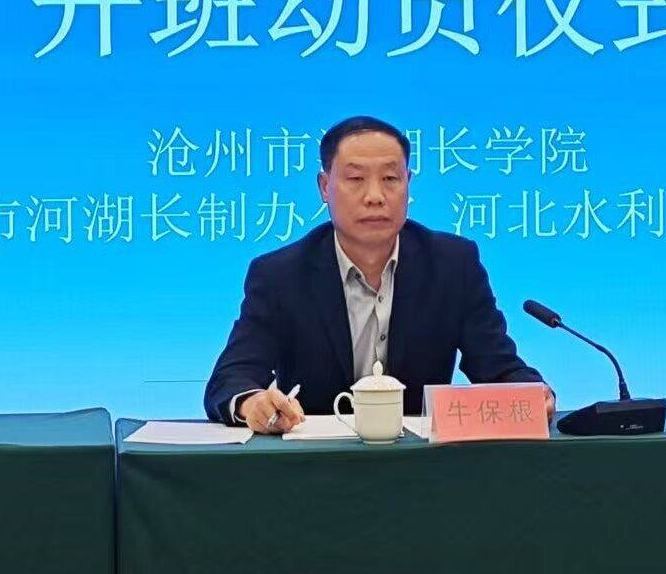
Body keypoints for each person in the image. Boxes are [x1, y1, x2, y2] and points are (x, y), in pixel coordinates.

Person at [205, 115, 550, 432]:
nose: (374, 196)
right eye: (356, 179)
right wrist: (253, 404)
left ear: (408, 183)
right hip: (312, 463)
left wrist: (534, 394)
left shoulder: (453, 264)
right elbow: (232, 377)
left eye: (390, 179)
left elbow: (498, 367)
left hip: (420, 463)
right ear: (324, 187)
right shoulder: (280, 275)